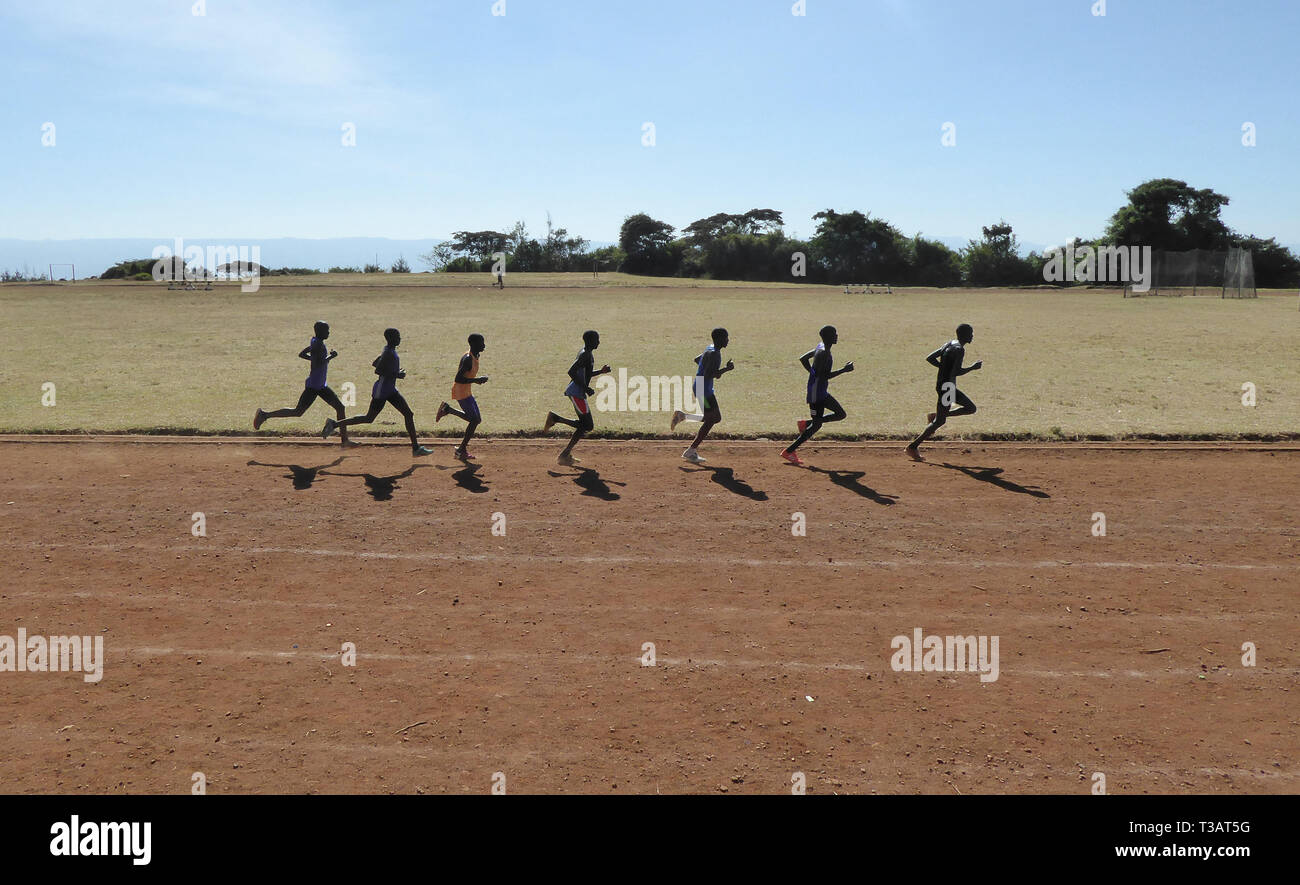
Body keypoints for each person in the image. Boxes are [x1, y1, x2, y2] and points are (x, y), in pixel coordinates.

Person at [323, 328, 433, 456]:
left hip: (390, 390)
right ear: (391, 338)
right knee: (369, 418)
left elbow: (375, 363)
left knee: (408, 414)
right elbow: (378, 370)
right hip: (382, 390)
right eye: (397, 336)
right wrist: (397, 375)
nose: (400, 338)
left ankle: (416, 448)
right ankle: (334, 424)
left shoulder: (388, 350)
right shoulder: (389, 353)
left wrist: (393, 372)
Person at [254, 321, 354, 447]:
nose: (329, 332)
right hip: (315, 386)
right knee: (298, 411)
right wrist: (331, 357)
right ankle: (264, 414)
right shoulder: (318, 345)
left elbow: (302, 354)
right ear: (320, 331)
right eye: (327, 330)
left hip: (319, 385)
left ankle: (344, 440)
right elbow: (319, 363)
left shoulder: (315, 341)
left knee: (339, 407)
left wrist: (316, 358)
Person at [906, 323, 982, 461]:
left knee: (970, 408)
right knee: (940, 421)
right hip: (947, 387)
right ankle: (912, 447)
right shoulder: (959, 349)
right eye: (971, 333)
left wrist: (943, 368)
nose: (972, 336)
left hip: (944, 385)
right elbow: (957, 371)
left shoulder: (949, 344)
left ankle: (935, 416)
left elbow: (930, 358)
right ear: (964, 335)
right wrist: (972, 367)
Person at [780, 325, 854, 466]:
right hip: (816, 395)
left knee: (840, 414)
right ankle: (789, 452)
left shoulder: (820, 346)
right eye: (834, 334)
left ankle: (806, 423)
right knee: (817, 425)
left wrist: (813, 374)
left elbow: (803, 359)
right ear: (828, 337)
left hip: (820, 391)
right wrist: (844, 370)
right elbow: (824, 376)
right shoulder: (824, 353)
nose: (837, 336)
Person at [543, 330, 611, 466]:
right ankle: (556, 419)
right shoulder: (585, 355)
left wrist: (601, 372)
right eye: (597, 339)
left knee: (584, 426)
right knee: (588, 425)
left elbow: (586, 374)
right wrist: (586, 388)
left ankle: (564, 455)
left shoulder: (587, 353)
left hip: (577, 391)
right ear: (590, 341)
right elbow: (571, 371)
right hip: (577, 392)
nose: (599, 342)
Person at [670, 327, 734, 463]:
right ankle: (690, 451)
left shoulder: (709, 348)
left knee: (712, 418)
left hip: (700, 387)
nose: (728, 340)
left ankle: (682, 416)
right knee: (713, 419)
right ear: (719, 339)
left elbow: (697, 359)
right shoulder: (715, 354)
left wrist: (709, 369)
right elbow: (710, 375)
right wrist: (726, 369)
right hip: (703, 391)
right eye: (726, 338)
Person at [435, 334, 490, 462]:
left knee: (476, 419)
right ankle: (461, 450)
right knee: (475, 420)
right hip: (461, 391)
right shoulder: (467, 359)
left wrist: (476, 380)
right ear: (474, 344)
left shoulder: (476, 355)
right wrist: (476, 380)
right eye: (482, 342)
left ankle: (448, 410)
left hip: (466, 390)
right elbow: (458, 378)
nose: (484, 345)